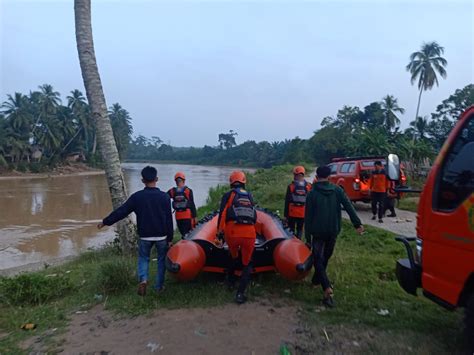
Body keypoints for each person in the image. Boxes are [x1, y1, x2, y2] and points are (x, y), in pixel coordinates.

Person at [98, 166, 173, 296]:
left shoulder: (137, 197)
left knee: (143, 258)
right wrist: (170, 238)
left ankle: (143, 280)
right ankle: (159, 287)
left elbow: (121, 211)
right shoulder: (164, 197)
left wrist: (106, 221)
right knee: (161, 260)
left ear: (143, 180)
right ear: (157, 179)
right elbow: (169, 220)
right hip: (161, 236)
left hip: (145, 236)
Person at [304, 165, 364, 307]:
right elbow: (348, 206)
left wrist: (307, 238)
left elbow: (308, 217)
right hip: (333, 230)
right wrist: (357, 224)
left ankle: (325, 286)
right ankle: (320, 283)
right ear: (330, 176)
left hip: (317, 232)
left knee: (318, 258)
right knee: (325, 257)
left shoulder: (312, 193)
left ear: (316, 177)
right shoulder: (337, 190)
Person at [217, 171, 257, 304]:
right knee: (247, 263)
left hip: (232, 232)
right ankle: (240, 293)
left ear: (231, 182)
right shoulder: (250, 196)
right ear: (244, 182)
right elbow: (254, 216)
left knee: (233, 256)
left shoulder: (228, 195)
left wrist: (219, 234)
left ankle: (230, 282)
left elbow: (222, 215)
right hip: (249, 233)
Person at [284, 166, 312, 239]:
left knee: (291, 230)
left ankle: (292, 242)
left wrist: (285, 215)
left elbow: (287, 201)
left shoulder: (291, 186)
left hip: (292, 212)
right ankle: (298, 242)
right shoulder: (308, 186)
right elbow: (310, 201)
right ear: (303, 174)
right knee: (300, 229)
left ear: (294, 175)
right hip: (303, 213)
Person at [167, 172, 197, 238]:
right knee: (189, 233)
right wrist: (195, 217)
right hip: (187, 215)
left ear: (175, 181)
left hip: (178, 216)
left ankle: (183, 242)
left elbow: (164, 197)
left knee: (183, 233)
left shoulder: (172, 191)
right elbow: (192, 204)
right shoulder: (188, 190)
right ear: (184, 180)